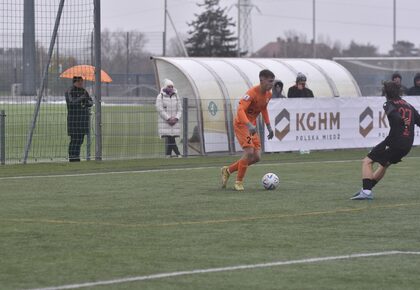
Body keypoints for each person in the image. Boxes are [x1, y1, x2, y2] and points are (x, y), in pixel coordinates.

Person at [351, 81, 420, 200]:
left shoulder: (388, 104)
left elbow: (395, 117)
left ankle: (366, 192)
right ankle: (366, 189)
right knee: (384, 164)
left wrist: (400, 121)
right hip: (408, 144)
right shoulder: (408, 105)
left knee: (367, 161)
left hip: (395, 141)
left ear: (386, 93)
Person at [220, 69, 275, 191]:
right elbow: (240, 110)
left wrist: (269, 126)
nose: (272, 84)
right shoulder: (251, 93)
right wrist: (249, 124)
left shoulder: (268, 94)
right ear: (262, 80)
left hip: (251, 125)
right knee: (249, 152)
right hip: (242, 124)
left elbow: (263, 109)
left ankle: (228, 170)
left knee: (256, 157)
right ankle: (238, 182)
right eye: (270, 81)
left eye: (273, 81)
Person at [65, 76, 93, 162]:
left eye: (82, 81)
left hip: (83, 119)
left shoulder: (84, 91)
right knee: (74, 139)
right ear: (75, 82)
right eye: (80, 82)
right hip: (73, 119)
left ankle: (77, 157)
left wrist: (86, 102)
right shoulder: (69, 91)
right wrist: (82, 98)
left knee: (80, 140)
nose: (82, 83)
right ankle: (72, 157)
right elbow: (71, 103)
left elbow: (90, 102)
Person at [155, 79, 182, 158]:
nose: (170, 88)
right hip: (165, 121)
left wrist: (176, 118)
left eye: (172, 87)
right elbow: (159, 109)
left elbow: (180, 109)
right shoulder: (160, 96)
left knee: (171, 137)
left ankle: (168, 155)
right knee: (170, 137)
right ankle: (178, 154)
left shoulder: (176, 96)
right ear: (165, 87)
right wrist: (168, 118)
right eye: (169, 87)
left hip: (174, 121)